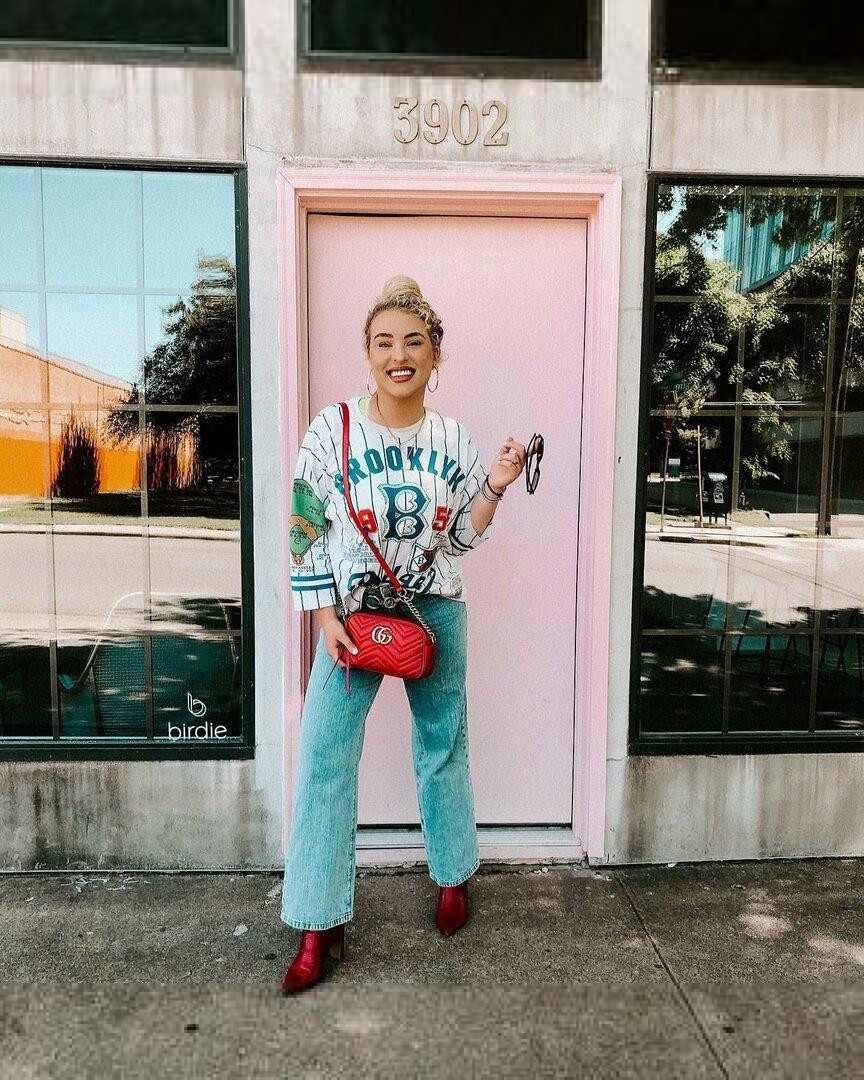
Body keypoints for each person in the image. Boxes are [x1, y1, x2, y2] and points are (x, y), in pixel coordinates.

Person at [280, 276, 526, 994]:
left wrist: (496, 484)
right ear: (367, 353)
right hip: (354, 615)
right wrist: (323, 616)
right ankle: (318, 922)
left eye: (413, 342)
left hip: (434, 609)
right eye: (384, 342)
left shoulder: (452, 437)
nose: (399, 356)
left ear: (435, 354)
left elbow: (461, 538)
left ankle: (452, 877)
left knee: (442, 742)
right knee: (324, 755)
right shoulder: (332, 429)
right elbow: (304, 523)